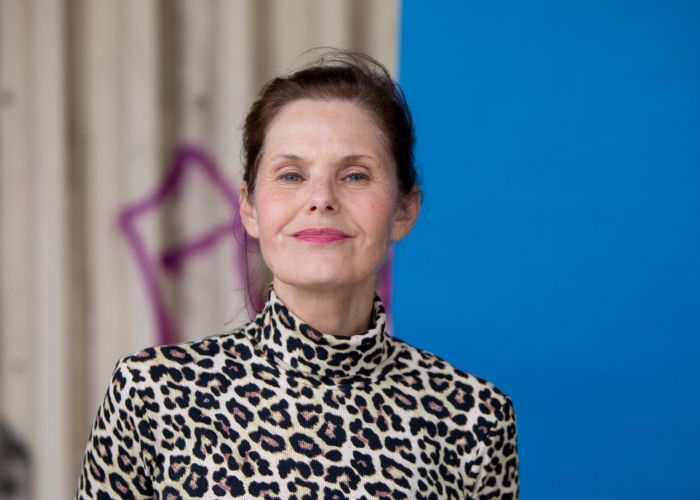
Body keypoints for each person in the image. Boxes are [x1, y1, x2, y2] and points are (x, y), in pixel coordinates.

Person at [76, 49, 519, 499]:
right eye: (291, 175)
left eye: (355, 175)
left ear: (405, 210)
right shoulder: (152, 394)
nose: (320, 198)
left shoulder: (475, 421)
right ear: (249, 207)